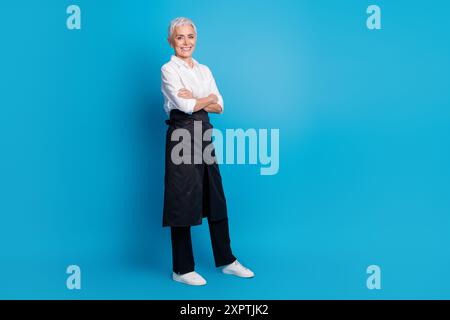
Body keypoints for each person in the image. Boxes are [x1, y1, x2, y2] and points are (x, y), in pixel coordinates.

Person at [161, 17, 254, 286]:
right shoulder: (168, 69)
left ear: (196, 39)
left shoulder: (204, 70)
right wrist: (204, 100)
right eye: (180, 37)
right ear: (171, 41)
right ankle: (181, 268)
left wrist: (199, 99)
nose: (186, 42)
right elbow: (183, 105)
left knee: (215, 196)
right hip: (181, 135)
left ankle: (226, 260)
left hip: (204, 134)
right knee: (182, 197)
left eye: (190, 36)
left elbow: (220, 105)